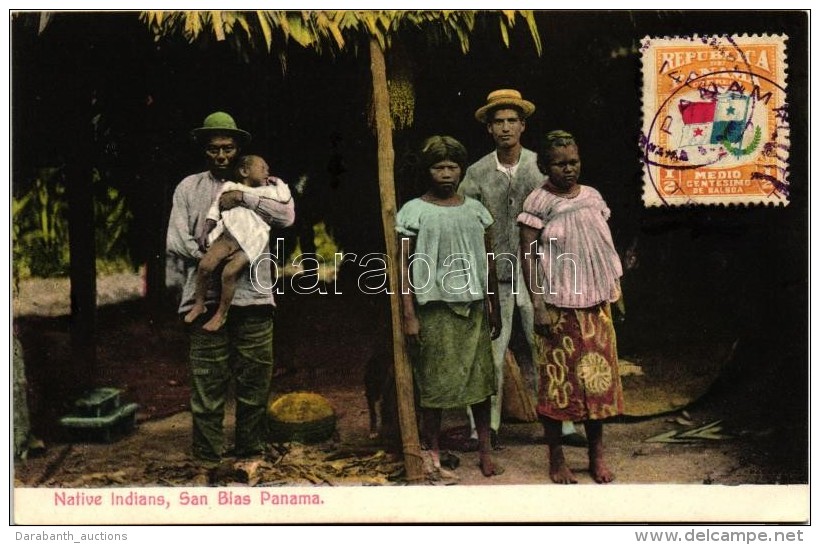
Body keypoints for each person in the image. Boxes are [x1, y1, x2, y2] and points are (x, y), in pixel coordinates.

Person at [166, 112, 295, 462]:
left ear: (238, 150)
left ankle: (249, 453)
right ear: (203, 151)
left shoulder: (264, 185)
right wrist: (212, 254)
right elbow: (177, 240)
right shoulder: (189, 188)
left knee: (255, 382)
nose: (222, 156)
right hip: (204, 297)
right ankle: (207, 457)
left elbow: (285, 217)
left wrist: (243, 199)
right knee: (207, 384)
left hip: (254, 296)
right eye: (214, 149)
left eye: (228, 148)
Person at [459, 89, 585, 449]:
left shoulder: (540, 165)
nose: (505, 128)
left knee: (547, 345)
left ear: (523, 125)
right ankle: (484, 429)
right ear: (489, 128)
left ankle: (564, 425)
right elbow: (469, 221)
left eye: (512, 120)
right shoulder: (477, 172)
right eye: (498, 121)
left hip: (539, 274)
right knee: (491, 353)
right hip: (496, 274)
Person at [518, 130, 625, 484]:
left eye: (573, 162)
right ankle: (556, 458)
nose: (568, 169)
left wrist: (615, 289)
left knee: (597, 381)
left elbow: (603, 248)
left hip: (595, 304)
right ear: (546, 166)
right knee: (559, 383)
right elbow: (529, 256)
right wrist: (538, 305)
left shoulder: (592, 196)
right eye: (560, 164)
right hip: (557, 304)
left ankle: (597, 455)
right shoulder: (538, 202)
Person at [397, 135, 503, 478]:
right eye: (439, 167)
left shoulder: (475, 209)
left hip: (473, 307)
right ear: (428, 171)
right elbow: (402, 267)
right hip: (435, 308)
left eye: (452, 167)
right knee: (435, 385)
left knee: (480, 381)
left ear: (461, 170)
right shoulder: (413, 211)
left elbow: (488, 259)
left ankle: (486, 449)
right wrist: (409, 314)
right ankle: (434, 450)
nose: (446, 174)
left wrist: (493, 304)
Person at [184, 154, 292, 332]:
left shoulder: (269, 192)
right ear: (244, 171)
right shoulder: (229, 187)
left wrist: (278, 181)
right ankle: (199, 304)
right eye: (263, 168)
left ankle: (221, 314)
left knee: (229, 273)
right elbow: (215, 209)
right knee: (205, 265)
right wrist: (205, 230)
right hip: (227, 237)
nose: (268, 172)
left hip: (250, 242)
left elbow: (285, 197)